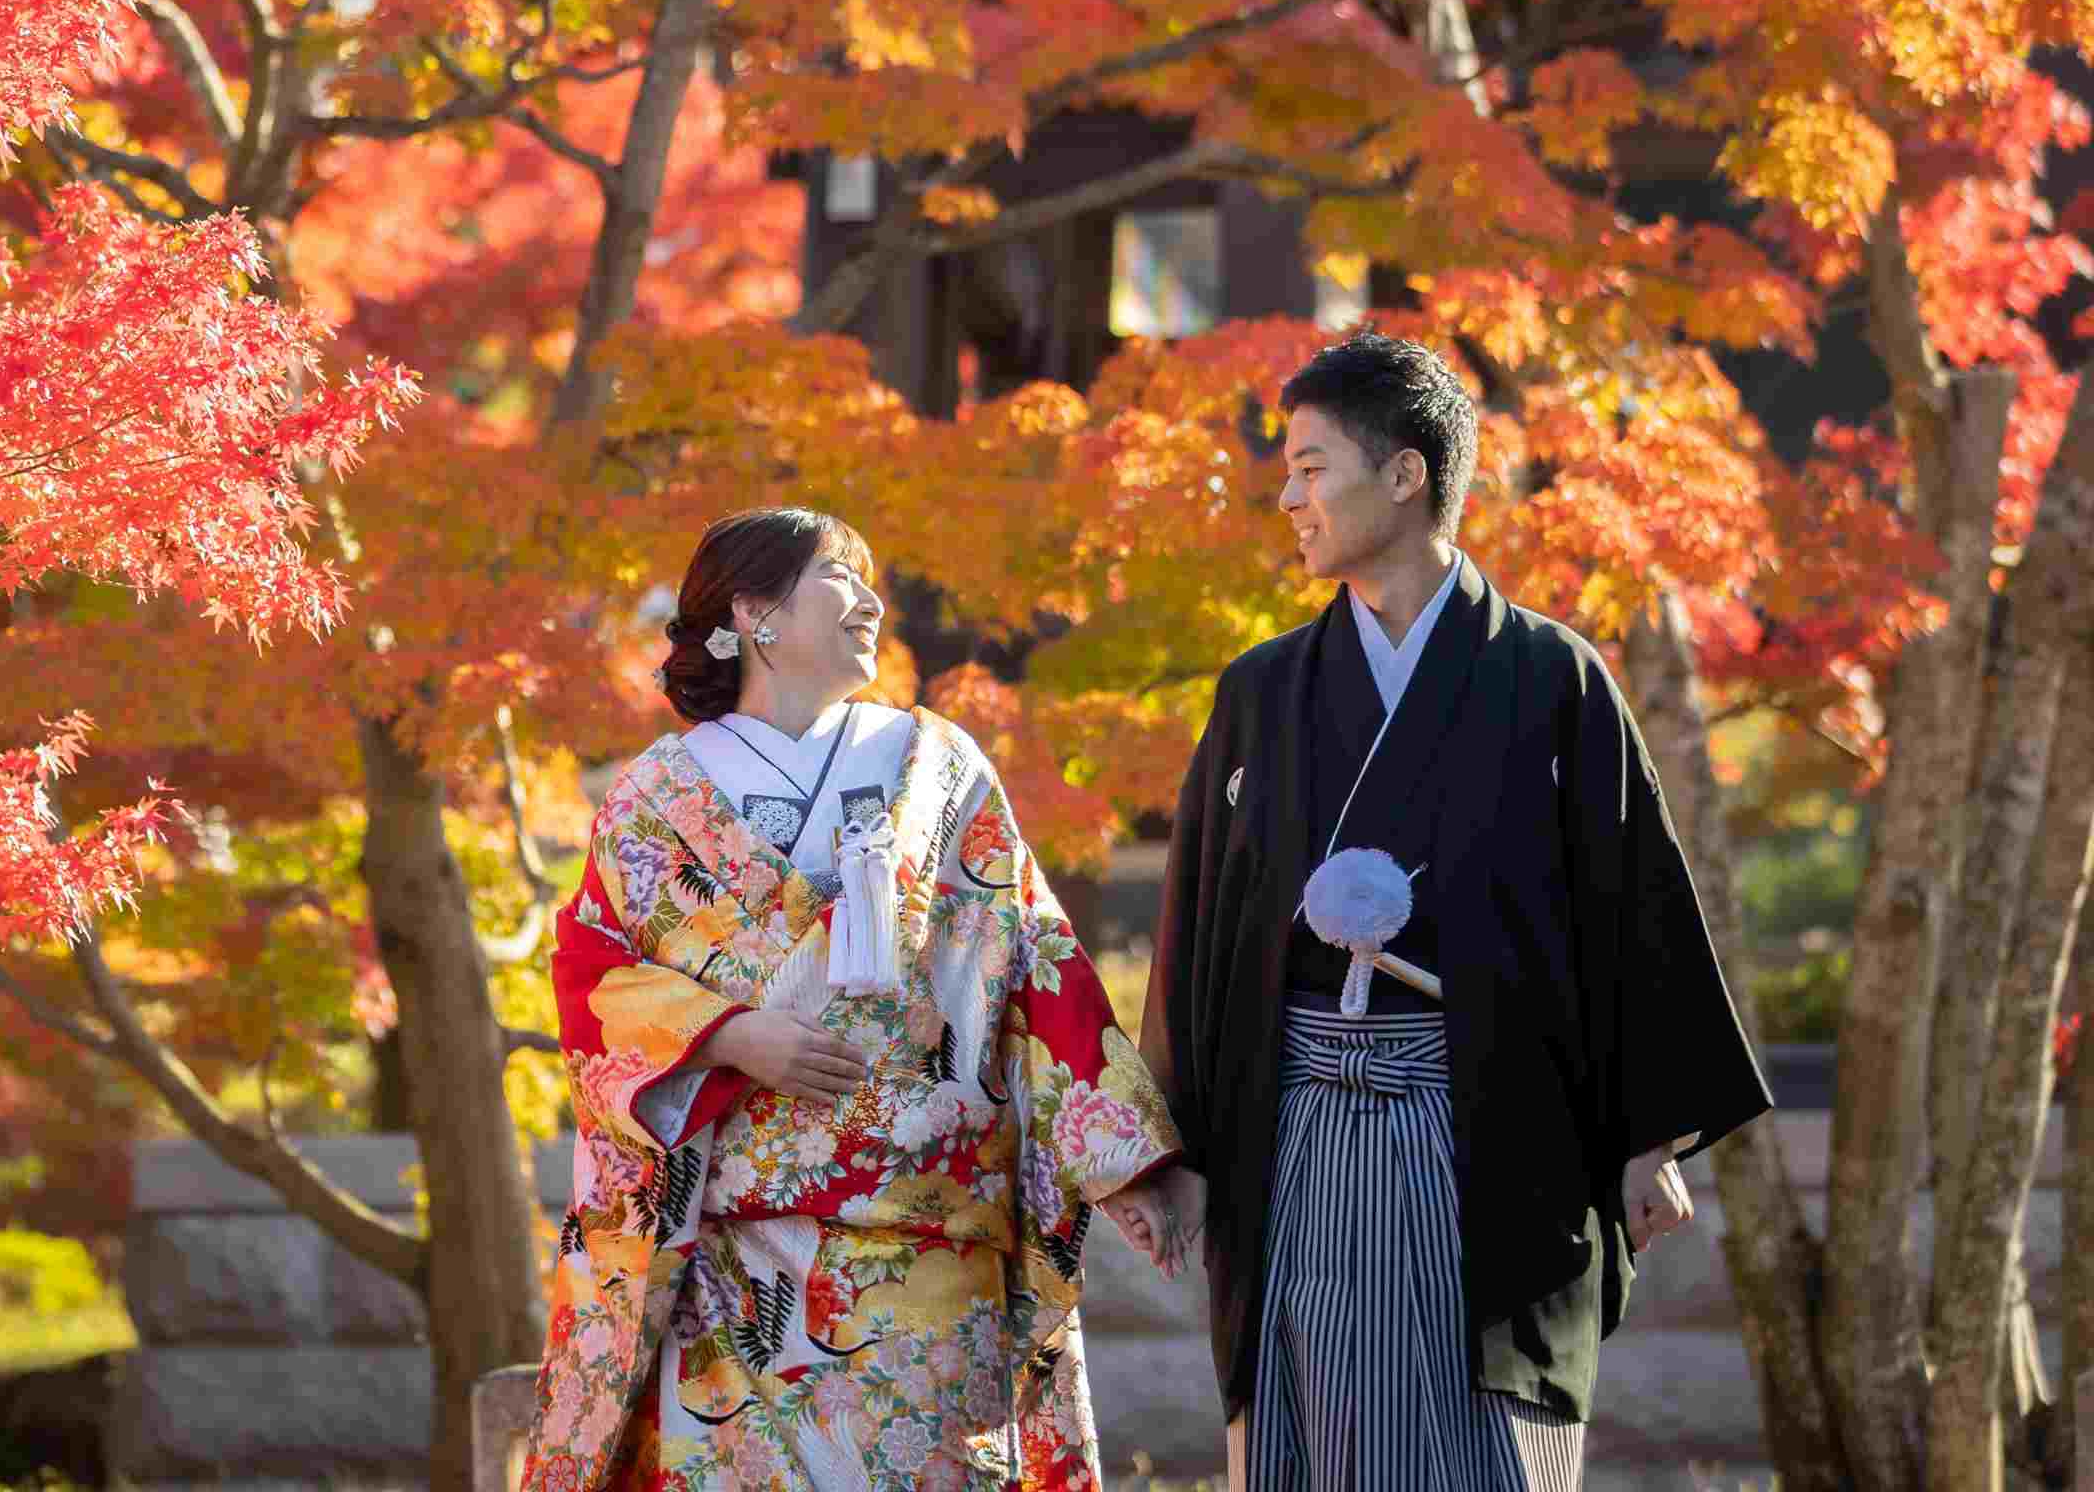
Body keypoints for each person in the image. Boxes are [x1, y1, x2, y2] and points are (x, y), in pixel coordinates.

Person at [1142, 331, 1772, 1489]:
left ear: (1406, 474)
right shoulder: (1262, 692)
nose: (1288, 499)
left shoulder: (1553, 678)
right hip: (1298, 1128)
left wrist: (1647, 1140)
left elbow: (1632, 912)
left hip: (1492, 1126)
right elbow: (1201, 934)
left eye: (1311, 468)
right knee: (1309, 1426)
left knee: (1484, 1437)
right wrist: (1169, 1149)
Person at [528, 507, 1199, 1492]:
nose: (873, 603)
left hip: (926, 1253)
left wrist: (1123, 1162)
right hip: (732, 1263)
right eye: (842, 577)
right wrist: (728, 1036)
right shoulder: (656, 795)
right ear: (753, 611)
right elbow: (591, 980)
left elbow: (1035, 962)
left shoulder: (939, 768)